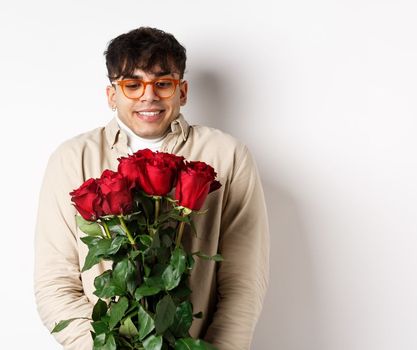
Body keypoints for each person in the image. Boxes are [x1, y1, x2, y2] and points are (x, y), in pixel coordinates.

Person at [33, 27, 270, 350]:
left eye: (163, 83)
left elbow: (243, 279)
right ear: (112, 94)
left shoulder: (227, 156)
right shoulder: (73, 159)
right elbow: (55, 282)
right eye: (132, 85)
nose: (149, 96)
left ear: (182, 91)